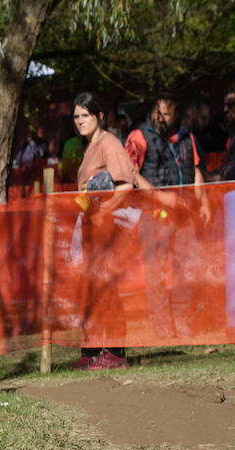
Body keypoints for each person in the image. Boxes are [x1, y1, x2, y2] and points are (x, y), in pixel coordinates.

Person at [70, 92, 149, 371]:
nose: (80, 121)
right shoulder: (91, 146)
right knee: (91, 290)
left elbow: (125, 187)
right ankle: (91, 351)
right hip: (92, 230)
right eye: (77, 116)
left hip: (109, 231)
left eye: (85, 115)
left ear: (99, 116)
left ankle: (115, 353)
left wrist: (103, 211)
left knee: (108, 289)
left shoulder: (109, 143)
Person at [124, 92, 210, 340]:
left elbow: (195, 170)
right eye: (158, 112)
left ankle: (183, 321)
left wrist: (203, 202)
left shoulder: (186, 136)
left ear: (176, 114)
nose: (160, 118)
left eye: (166, 113)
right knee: (156, 272)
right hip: (153, 215)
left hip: (185, 215)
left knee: (186, 268)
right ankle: (162, 325)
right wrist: (161, 197)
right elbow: (131, 174)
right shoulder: (139, 136)